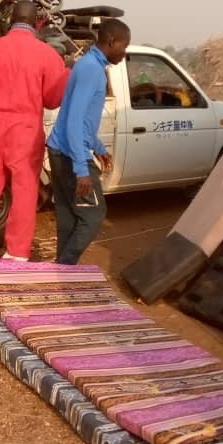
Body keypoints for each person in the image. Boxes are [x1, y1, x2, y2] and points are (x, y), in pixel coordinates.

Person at [0, 1, 68, 263]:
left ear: (10, 20)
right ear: (37, 23)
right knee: (24, 191)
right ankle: (16, 252)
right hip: (25, 129)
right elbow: (53, 99)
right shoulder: (47, 54)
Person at [47, 19, 131, 264]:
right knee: (94, 216)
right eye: (123, 47)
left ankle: (62, 272)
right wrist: (82, 168)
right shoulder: (91, 69)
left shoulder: (88, 65)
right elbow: (73, 120)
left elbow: (81, 120)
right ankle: (65, 265)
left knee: (69, 217)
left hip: (60, 149)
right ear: (111, 41)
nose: (124, 53)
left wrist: (99, 148)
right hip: (70, 154)